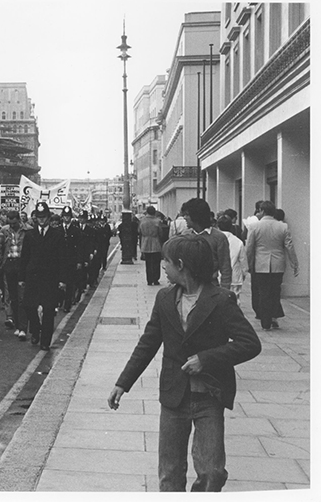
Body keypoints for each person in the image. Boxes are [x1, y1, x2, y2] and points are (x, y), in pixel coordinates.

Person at [108, 234, 261, 492]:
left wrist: (206, 359)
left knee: (212, 472)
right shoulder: (165, 298)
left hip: (209, 396)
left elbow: (250, 343)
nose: (162, 266)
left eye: (166, 262)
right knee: (169, 473)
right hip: (174, 395)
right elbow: (148, 343)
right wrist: (123, 383)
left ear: (181, 264)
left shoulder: (221, 300)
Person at [245, 200, 299, 331]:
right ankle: (274, 317)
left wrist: (249, 264)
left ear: (262, 211)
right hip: (277, 264)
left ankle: (265, 322)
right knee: (275, 291)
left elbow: (249, 248)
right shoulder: (283, 226)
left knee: (263, 293)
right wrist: (294, 263)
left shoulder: (255, 227)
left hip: (260, 264)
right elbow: (289, 247)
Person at [19, 202, 65, 351]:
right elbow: (24, 257)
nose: (41, 220)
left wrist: (62, 279)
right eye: (39, 217)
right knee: (28, 305)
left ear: (49, 218)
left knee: (49, 309)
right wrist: (21, 277)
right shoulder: (30, 235)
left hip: (50, 277)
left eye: (44, 217)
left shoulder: (57, 234)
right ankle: (35, 328)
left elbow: (62, 258)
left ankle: (45, 340)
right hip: (33, 276)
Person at [181, 198, 232, 290]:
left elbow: (225, 268)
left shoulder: (218, 238)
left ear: (196, 215)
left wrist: (225, 291)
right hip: (188, 287)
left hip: (210, 287)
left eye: (187, 215)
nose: (184, 217)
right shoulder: (185, 236)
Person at [0, 210, 31, 339]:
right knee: (12, 296)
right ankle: (18, 325)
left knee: (22, 297)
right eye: (9, 223)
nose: (12, 226)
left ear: (19, 220)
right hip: (9, 263)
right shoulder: (4, 231)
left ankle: (23, 327)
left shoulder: (28, 230)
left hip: (22, 263)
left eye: (14, 223)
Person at [217, 215, 249, 304]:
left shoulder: (215, 239)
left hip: (218, 276)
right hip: (235, 276)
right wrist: (243, 274)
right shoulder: (238, 242)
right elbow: (243, 261)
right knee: (234, 300)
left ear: (218, 226)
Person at [59, 206, 83, 313]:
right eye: (65, 216)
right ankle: (60, 301)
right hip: (60, 260)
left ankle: (67, 304)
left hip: (71, 261)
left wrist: (79, 261)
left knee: (70, 283)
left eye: (68, 216)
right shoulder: (58, 230)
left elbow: (79, 247)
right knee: (59, 283)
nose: (66, 218)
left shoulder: (75, 230)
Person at [139, 206, 164, 286]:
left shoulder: (142, 221)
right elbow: (160, 233)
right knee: (156, 262)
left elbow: (139, 231)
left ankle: (149, 280)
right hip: (155, 242)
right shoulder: (157, 221)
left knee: (148, 263)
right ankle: (156, 279)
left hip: (146, 242)